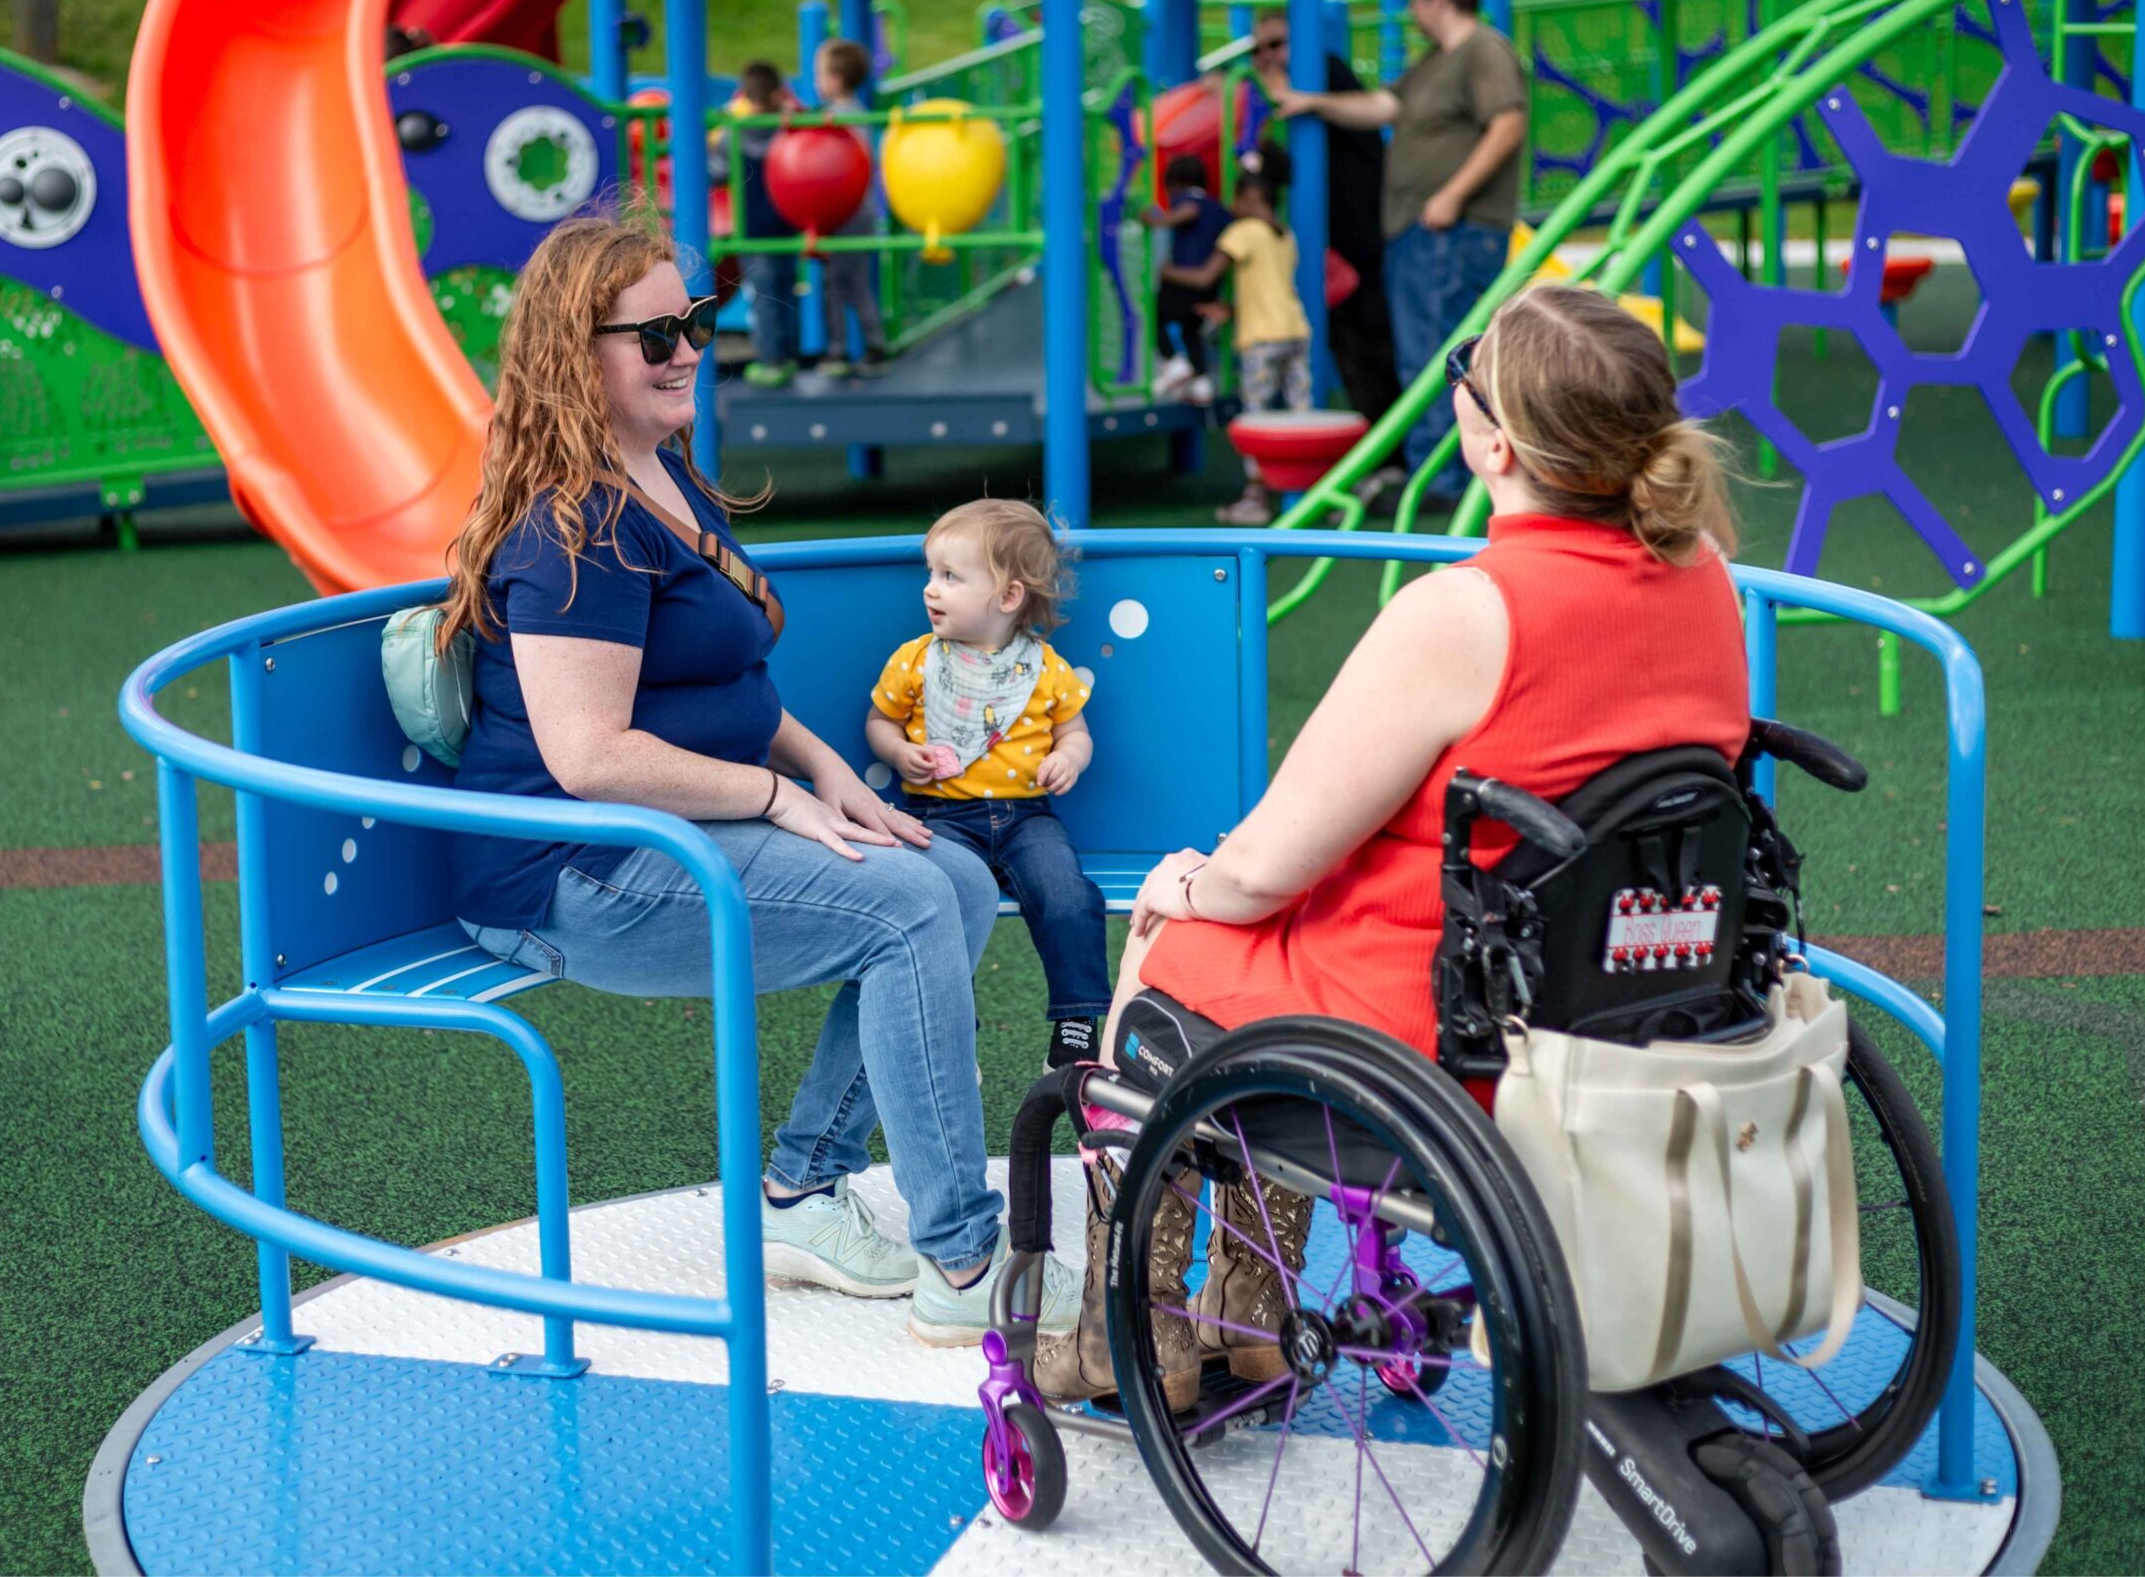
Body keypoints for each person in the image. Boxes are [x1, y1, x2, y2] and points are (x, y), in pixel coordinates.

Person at [1032, 284, 1749, 1400]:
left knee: (1176, 942)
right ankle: (1247, 1308)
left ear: (1492, 441)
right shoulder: (1701, 573)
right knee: (1272, 933)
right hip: (1637, 993)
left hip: (1450, 1022)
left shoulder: (1464, 612)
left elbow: (1270, 863)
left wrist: (1184, 887)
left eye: (1470, 366)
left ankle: (1141, 1334)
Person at [438, 205, 1070, 1346]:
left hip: (663, 837)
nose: (686, 349)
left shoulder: (662, 476)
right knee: (907, 908)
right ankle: (967, 1264)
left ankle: (800, 1193)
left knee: (957, 880)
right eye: (653, 335)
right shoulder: (571, 527)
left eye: (697, 320)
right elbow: (589, 758)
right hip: (574, 874)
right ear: (570, 355)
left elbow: (741, 694)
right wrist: (780, 799)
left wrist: (835, 778)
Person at [1261, 0, 1526, 496]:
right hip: (1419, 232)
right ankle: (1441, 472)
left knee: (1439, 355)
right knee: (1423, 354)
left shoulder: (1483, 51)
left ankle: (1446, 481)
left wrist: (1452, 194)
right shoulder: (1434, 63)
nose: (1412, 8)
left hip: (1453, 231)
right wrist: (1312, 102)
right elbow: (1384, 105)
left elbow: (1509, 122)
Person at [866, 501, 1110, 1070]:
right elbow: (879, 722)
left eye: (950, 577)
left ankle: (1076, 1020)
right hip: (942, 815)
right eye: (930, 573)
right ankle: (954, 1023)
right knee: (940, 901)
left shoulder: (1045, 667)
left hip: (1028, 817)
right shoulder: (917, 661)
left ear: (1008, 597)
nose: (931, 589)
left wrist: (1069, 759)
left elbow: (1076, 732)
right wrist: (900, 753)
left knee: (1068, 895)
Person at [1246, 8, 1401, 427]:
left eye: (1277, 44)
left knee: (1375, 346)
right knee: (1351, 349)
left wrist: (1279, 88)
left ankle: (1397, 454)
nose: (1266, 57)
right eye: (1257, 50)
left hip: (1362, 239)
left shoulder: (1323, 73)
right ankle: (1380, 450)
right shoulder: (1302, 101)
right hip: (1335, 243)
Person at [1163, 171, 1312, 526]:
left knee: (1255, 417)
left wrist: (1166, 271)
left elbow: (1203, 277)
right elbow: (1268, 288)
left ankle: (1256, 497)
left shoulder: (1242, 232)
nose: (1231, 206)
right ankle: (1310, 490)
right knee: (1301, 413)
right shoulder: (1285, 235)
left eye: (1236, 198)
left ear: (1251, 199)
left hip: (1261, 337)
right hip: (1295, 330)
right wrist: (1229, 310)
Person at [811, 37, 889, 379]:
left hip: (847, 212)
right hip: (860, 210)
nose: (816, 81)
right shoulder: (858, 112)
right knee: (853, 281)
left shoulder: (837, 119)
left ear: (836, 80)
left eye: (820, 74)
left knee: (837, 283)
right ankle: (871, 343)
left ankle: (840, 349)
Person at [723, 61, 801, 388]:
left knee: (765, 297)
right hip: (786, 224)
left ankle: (770, 360)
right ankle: (791, 354)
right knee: (787, 290)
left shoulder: (733, 133)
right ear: (776, 94)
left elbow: (716, 169)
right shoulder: (789, 130)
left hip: (752, 232)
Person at [1140, 152, 1230, 404]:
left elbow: (1188, 212)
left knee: (1155, 316)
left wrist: (1156, 220)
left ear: (1175, 184)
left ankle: (1172, 362)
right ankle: (1201, 384)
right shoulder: (1219, 207)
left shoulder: (1188, 201)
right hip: (1210, 286)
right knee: (1191, 330)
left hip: (1183, 280)